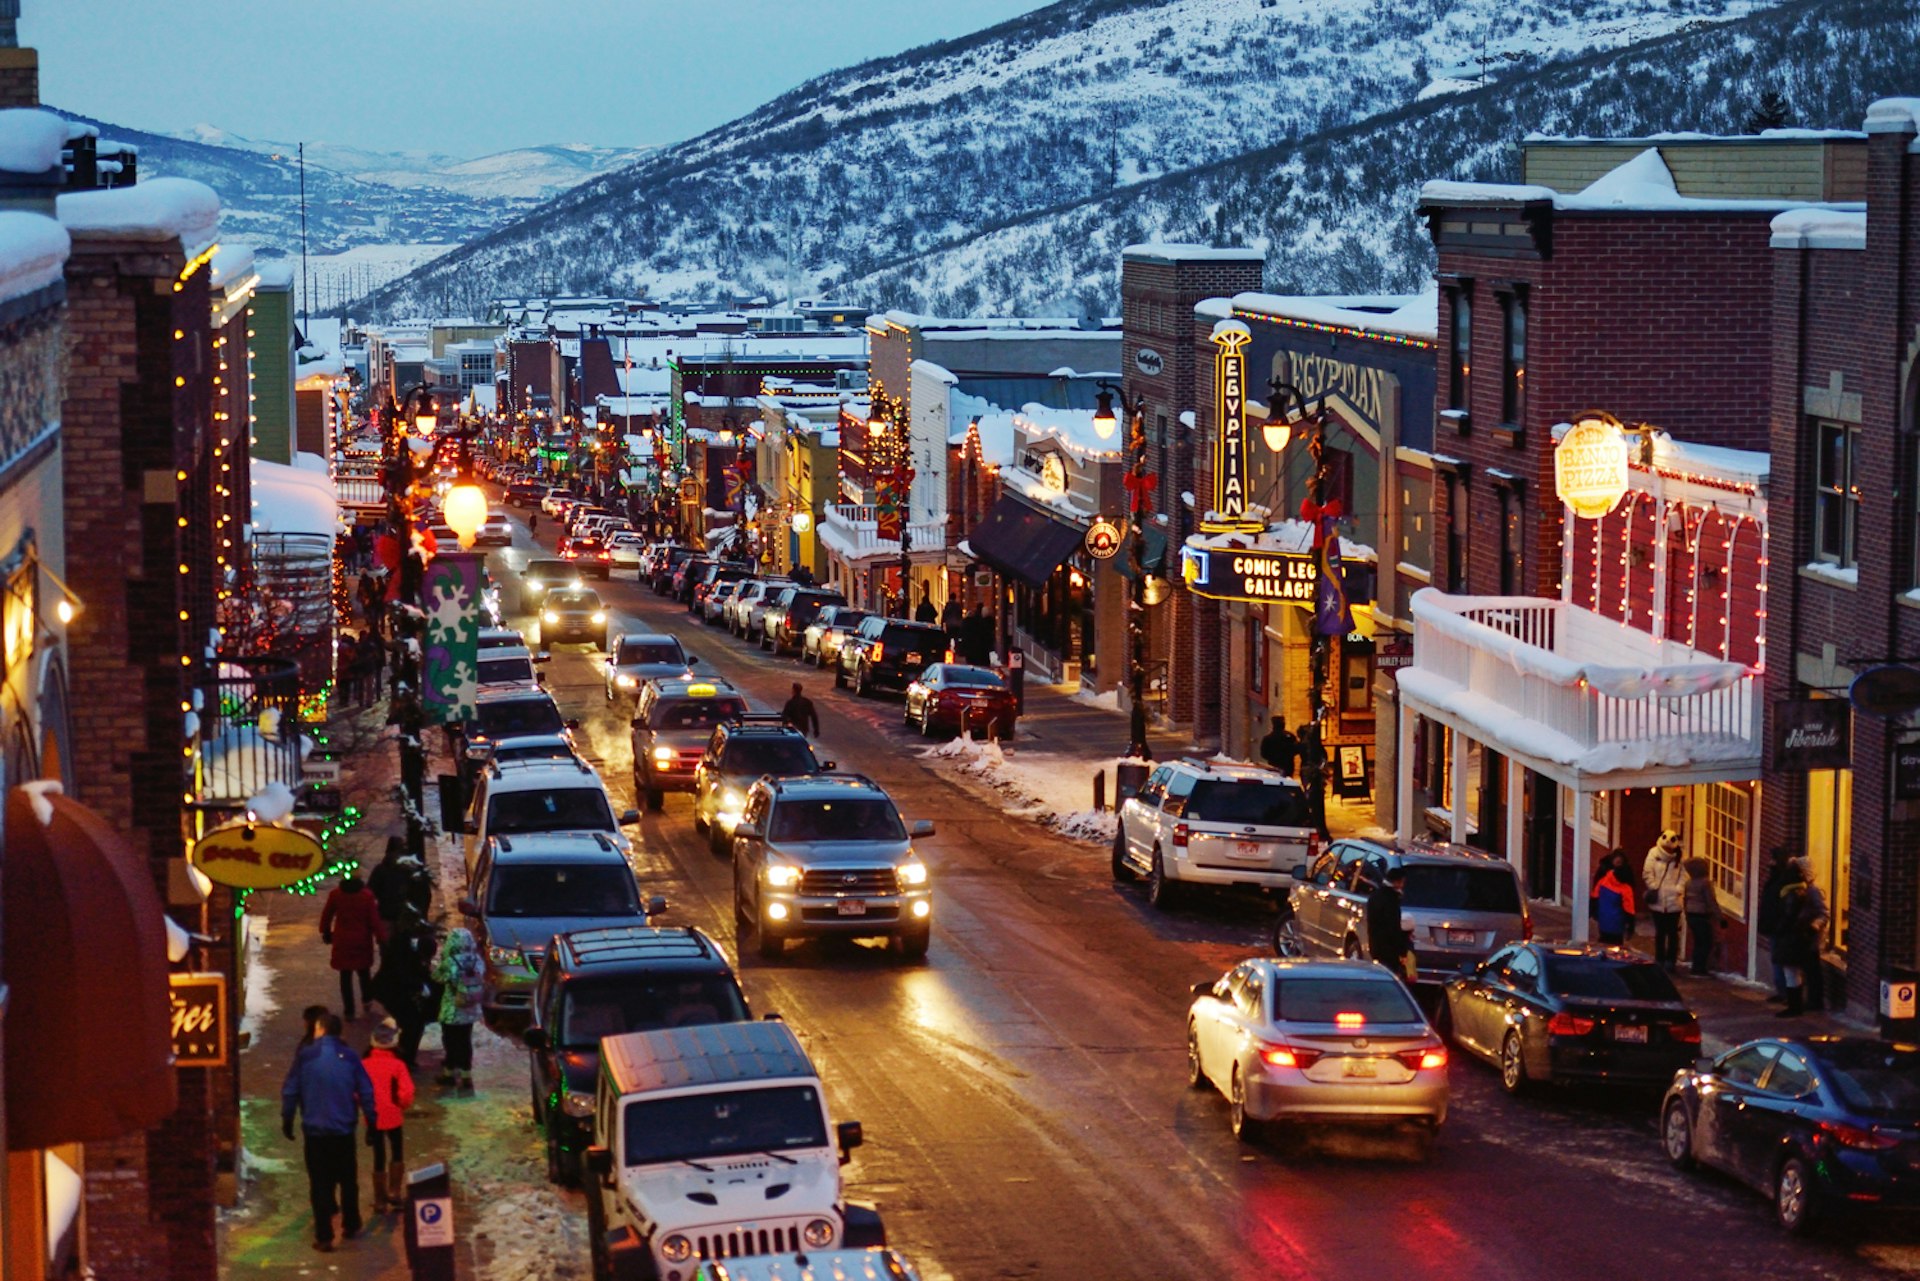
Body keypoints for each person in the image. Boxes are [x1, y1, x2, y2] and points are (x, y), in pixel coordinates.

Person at [281, 1012, 376, 1252]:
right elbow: (365, 1090)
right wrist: (371, 1122)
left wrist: (288, 1117)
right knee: (347, 1180)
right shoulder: (350, 1057)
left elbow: (291, 1089)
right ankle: (351, 1223)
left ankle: (324, 1235)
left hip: (315, 1133)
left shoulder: (306, 1056)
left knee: (320, 1184)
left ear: (320, 1029)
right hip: (343, 1130)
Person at [370, 906, 437, 1068]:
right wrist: (421, 985)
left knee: (411, 1023)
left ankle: (404, 1056)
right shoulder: (403, 947)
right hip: (392, 990)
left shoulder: (406, 944)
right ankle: (403, 1059)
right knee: (412, 1024)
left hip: (396, 989)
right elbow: (402, 973)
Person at [361, 1018, 416, 1214]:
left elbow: (356, 1090)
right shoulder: (398, 1065)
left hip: (373, 1116)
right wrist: (401, 1105)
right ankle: (394, 1192)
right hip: (393, 1115)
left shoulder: (364, 1064)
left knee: (378, 1154)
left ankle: (380, 1199)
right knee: (396, 1151)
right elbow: (406, 1092)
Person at [320, 874, 387, 1021]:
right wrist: (381, 938)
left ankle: (349, 1010)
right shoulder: (366, 896)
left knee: (345, 976)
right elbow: (374, 920)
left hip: (342, 939)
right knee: (364, 973)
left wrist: (325, 931)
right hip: (362, 940)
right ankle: (367, 1000)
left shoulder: (336, 894)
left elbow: (327, 914)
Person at [1775, 855, 1830, 1017]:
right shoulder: (1801, 889)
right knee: (1805, 970)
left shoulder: (1812, 891)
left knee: (1811, 970)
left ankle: (1813, 1001)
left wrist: (1814, 927)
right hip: (1802, 936)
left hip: (1809, 938)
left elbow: (1823, 913)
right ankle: (1805, 1001)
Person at [433, 927, 485, 1090]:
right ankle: (466, 1076)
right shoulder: (477, 960)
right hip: (470, 1009)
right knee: (465, 1041)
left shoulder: (450, 962)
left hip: (452, 1010)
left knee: (451, 1042)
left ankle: (449, 1073)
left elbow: (437, 978)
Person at [1643, 829, 1687, 971]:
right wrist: (1653, 886)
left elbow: (1684, 876)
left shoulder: (1680, 857)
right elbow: (1647, 872)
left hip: (1674, 902)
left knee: (1673, 933)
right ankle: (1660, 958)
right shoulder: (1653, 853)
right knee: (1660, 933)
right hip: (1658, 901)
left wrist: (1678, 889)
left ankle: (1671, 961)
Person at [1756, 847, 1795, 1001]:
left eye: (1773, 859)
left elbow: (1778, 905)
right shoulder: (1777, 879)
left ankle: (1784, 992)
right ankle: (1782, 991)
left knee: (1780, 960)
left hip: (1779, 928)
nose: (1769, 862)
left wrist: (1778, 924)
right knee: (1777, 959)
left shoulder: (1781, 882)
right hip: (1775, 926)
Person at [1365, 864, 1415, 984]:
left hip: (1376, 945)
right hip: (1389, 950)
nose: (1403, 886)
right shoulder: (1391, 900)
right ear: (1397, 882)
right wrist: (1402, 951)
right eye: (1402, 882)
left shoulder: (1375, 896)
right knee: (1390, 978)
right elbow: (1393, 927)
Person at [1682, 856, 1719, 976]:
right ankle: (1700, 968)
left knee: (1698, 942)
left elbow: (1685, 899)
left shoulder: (1689, 883)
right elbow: (1711, 901)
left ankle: (1696, 966)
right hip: (1702, 915)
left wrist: (1686, 914)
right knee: (1706, 942)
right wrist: (1720, 917)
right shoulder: (1705, 883)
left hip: (1691, 915)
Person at [1591, 851, 1638, 945]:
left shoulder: (1604, 879)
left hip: (1603, 920)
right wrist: (1631, 927)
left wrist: (1594, 912)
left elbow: (1594, 896)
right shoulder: (1626, 888)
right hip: (1617, 925)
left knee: (1603, 942)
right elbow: (1629, 910)